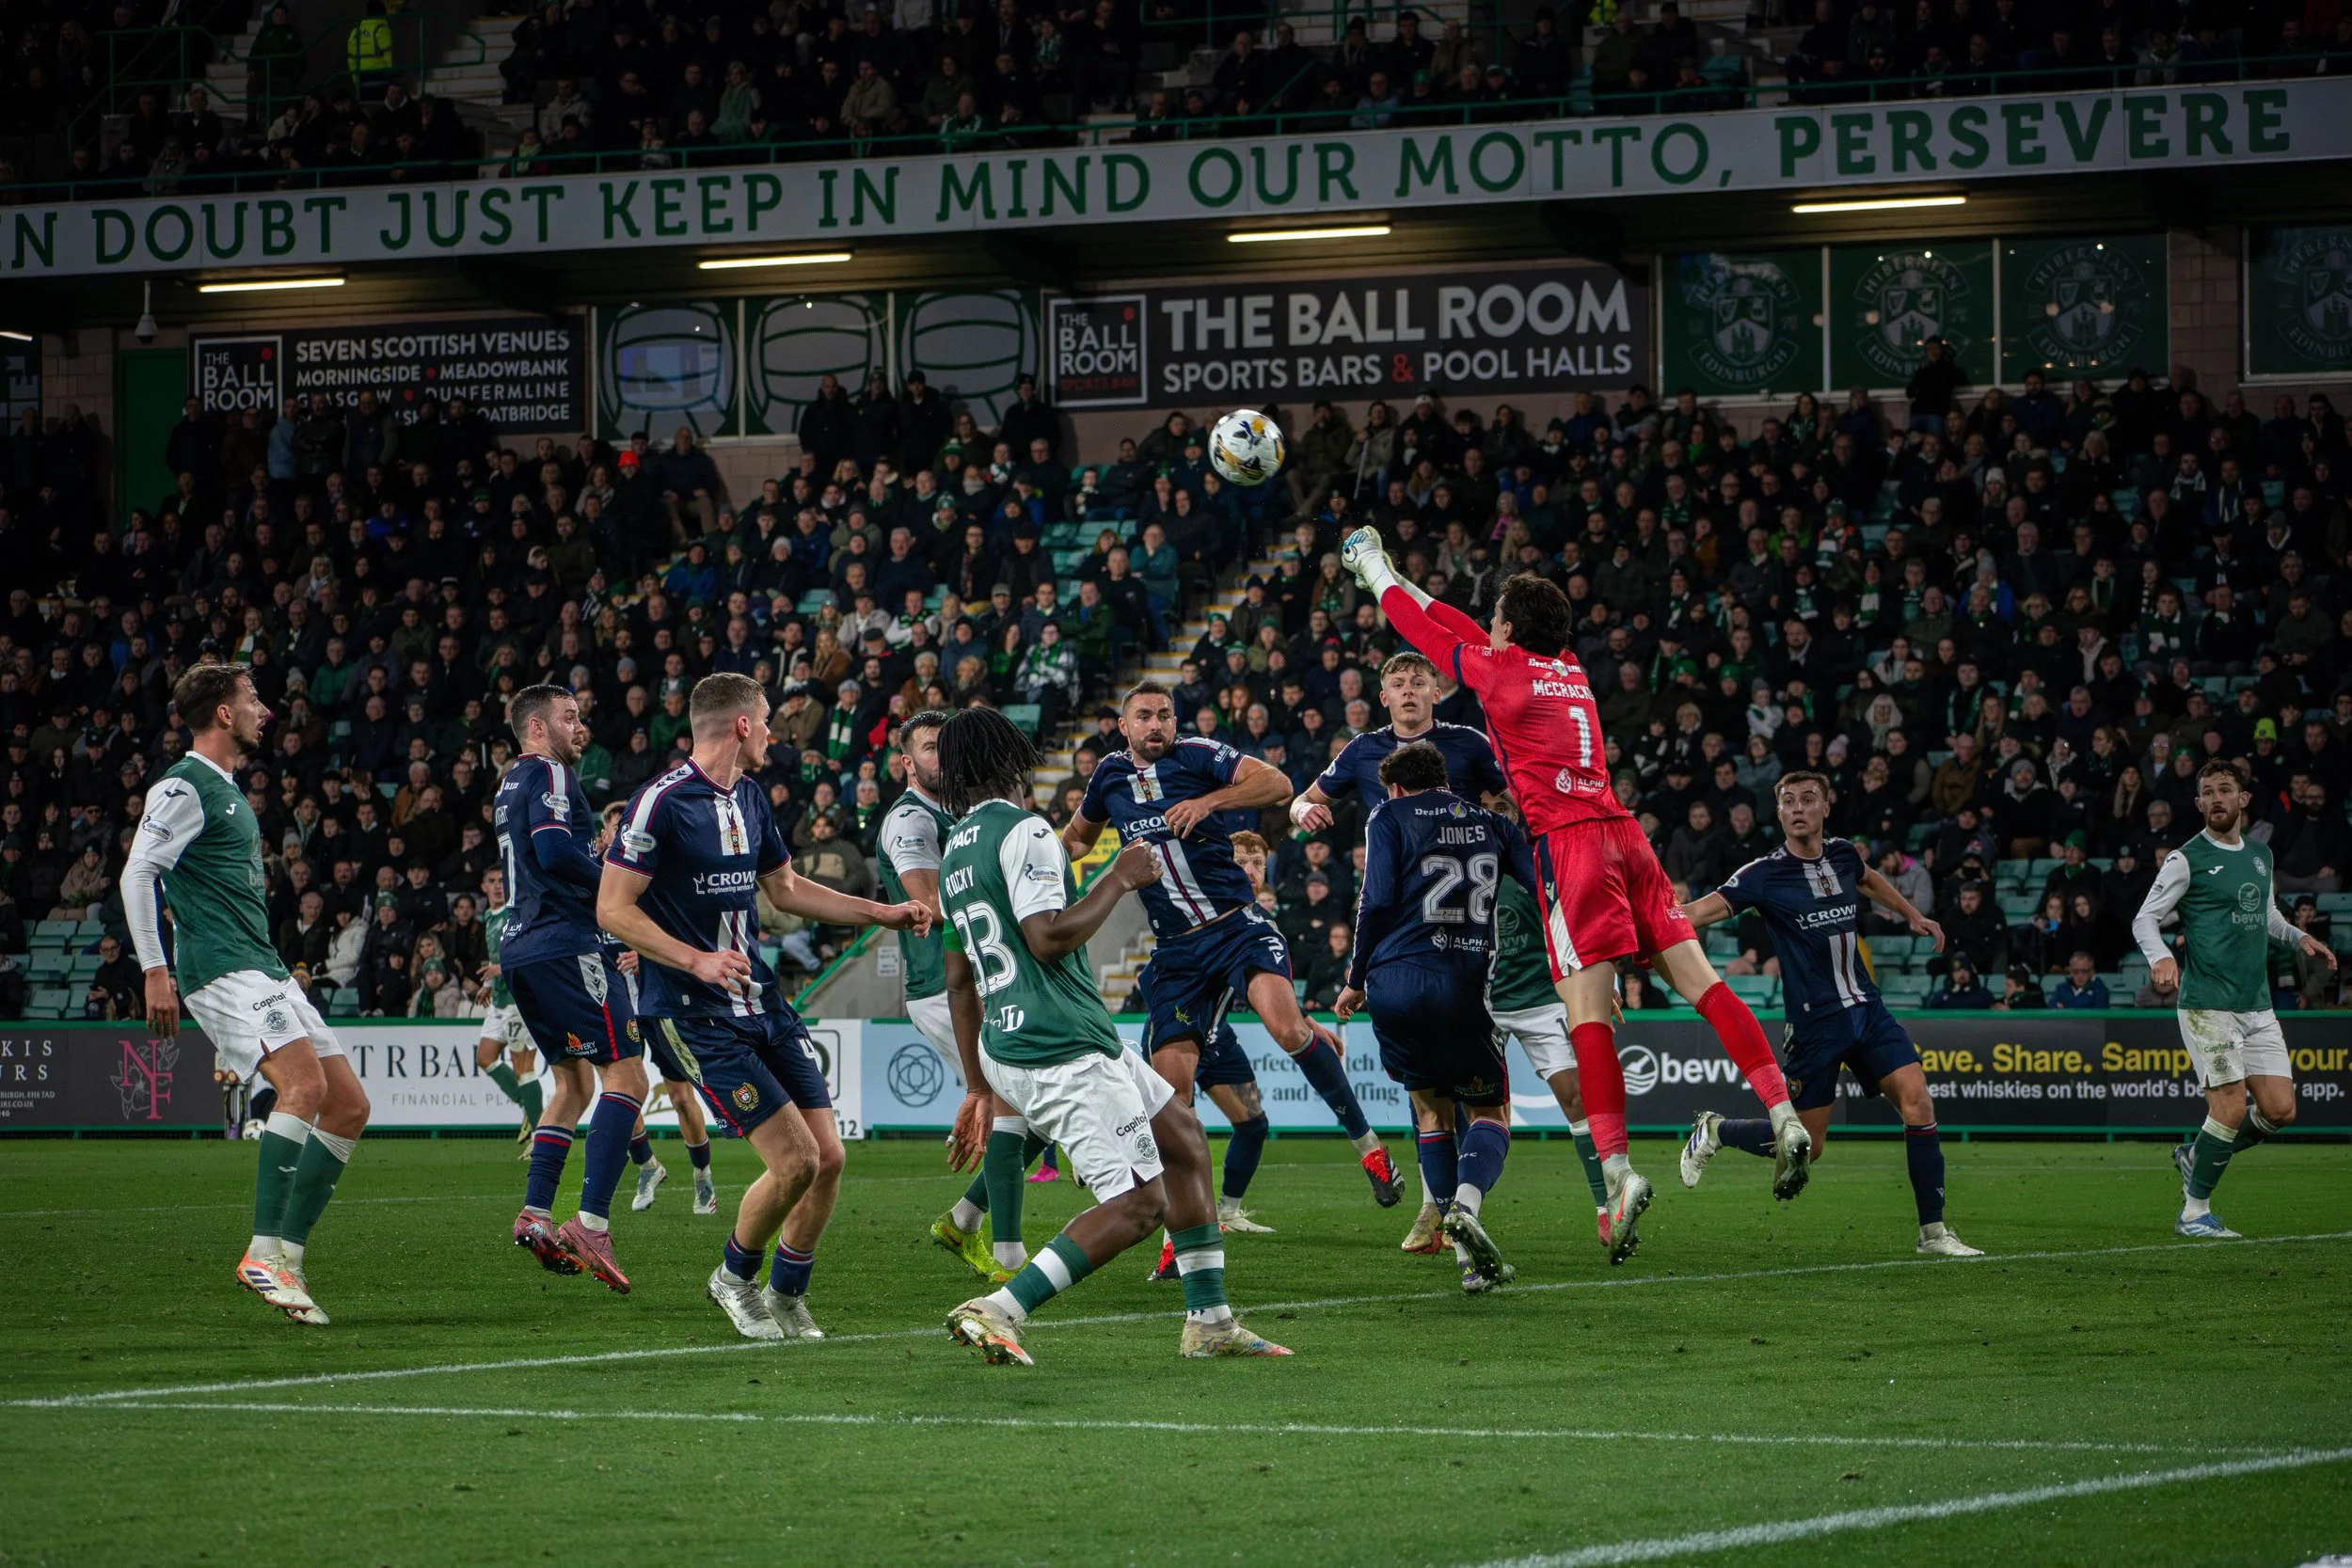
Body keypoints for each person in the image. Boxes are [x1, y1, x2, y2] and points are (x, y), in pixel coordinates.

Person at [1341, 534, 1809, 1263]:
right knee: (1703, 983)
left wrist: (1373, 568)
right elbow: (1460, 628)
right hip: (1629, 834)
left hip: (1573, 844)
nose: (1486, 625)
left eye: (1494, 617)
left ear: (1509, 628)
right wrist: (1403, 572)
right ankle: (1782, 1113)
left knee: (1586, 1011)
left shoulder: (1504, 682)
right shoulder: (1567, 669)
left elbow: (1427, 630)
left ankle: (1618, 1172)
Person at [934, 706, 1290, 1364]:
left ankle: (1209, 1321)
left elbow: (958, 981)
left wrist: (978, 1085)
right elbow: (1047, 938)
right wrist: (1120, 876)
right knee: (1138, 1202)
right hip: (1058, 1041)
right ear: (1012, 762)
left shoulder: (955, 848)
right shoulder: (1026, 831)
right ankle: (997, 1309)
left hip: (1018, 1040)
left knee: (1182, 1139)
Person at [599, 673, 930, 1339]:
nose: (775, 732)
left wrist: (881, 912)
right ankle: (732, 1277)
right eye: (769, 720)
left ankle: (786, 1291)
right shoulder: (659, 802)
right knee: (795, 1161)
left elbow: (784, 888)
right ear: (743, 724)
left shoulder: (748, 795)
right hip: (693, 1010)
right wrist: (696, 959)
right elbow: (611, 907)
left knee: (829, 1158)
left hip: (761, 1004)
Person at [1063, 681, 1403, 1210]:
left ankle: (1369, 1149)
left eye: (1165, 715)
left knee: (1288, 1030)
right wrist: (1045, 858)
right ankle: (1185, 1230)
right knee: (1173, 1094)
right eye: (1145, 717)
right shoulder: (1108, 776)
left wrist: (1209, 801)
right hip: (1175, 949)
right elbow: (1079, 839)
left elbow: (1277, 783)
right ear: (1124, 726)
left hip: (1235, 926)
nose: (1157, 725)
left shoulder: (1196, 756)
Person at [123, 663, 371, 1325]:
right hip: (223, 968)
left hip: (263, 966)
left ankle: (285, 1256)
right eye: (253, 699)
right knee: (304, 1087)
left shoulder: (227, 789)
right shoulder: (183, 783)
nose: (265, 709)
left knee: (348, 1104)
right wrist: (154, 969)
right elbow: (137, 871)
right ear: (224, 714)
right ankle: (262, 1251)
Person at [1677, 771, 1982, 1258]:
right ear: (1778, 813)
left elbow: (1869, 879)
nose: (1798, 807)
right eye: (1788, 801)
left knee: (1919, 1104)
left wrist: (1912, 915)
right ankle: (1715, 1130)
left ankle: (1933, 1234)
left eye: (1808, 799)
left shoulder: (1842, 854)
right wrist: (1640, 910)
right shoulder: (1762, 874)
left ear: (1826, 807)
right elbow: (1697, 913)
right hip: (1815, 1024)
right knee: (1807, 1147)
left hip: (1867, 1008)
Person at [1334, 741, 1532, 1294]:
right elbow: (1538, 886)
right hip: (1462, 983)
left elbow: (1374, 903)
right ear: (1446, 780)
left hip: (1394, 984)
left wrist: (1355, 980)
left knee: (1429, 1114)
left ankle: (1465, 1257)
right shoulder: (1490, 820)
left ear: (1394, 786)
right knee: (1490, 1114)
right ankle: (1467, 1214)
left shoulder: (1387, 814)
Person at [2132, 760, 2336, 1239]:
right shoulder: (2185, 858)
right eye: (2208, 792)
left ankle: (2194, 1154)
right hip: (2207, 1004)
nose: (2217, 798)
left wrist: (2297, 936)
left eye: (2226, 789)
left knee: (2279, 1110)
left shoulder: (2261, 855)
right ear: (2199, 803)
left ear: (2243, 800)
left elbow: (2266, 915)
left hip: (2257, 1004)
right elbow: (2145, 918)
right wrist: (2160, 956)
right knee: (2226, 1108)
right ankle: (2194, 1213)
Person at [496, 685, 652, 1291]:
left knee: (572, 1082)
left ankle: (535, 1212)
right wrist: (620, 883)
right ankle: (591, 1222)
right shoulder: (552, 774)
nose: (579, 726)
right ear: (537, 727)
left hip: (521, 949)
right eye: (569, 717)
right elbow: (557, 853)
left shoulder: (510, 782)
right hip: (565, 943)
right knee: (628, 1075)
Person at [907, 711, 1050, 1284]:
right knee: (1016, 1106)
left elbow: (958, 964)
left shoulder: (959, 836)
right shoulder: (919, 821)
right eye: (925, 747)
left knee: (1031, 1111)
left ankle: (966, 1217)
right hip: (989, 992)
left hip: (980, 988)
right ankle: (1009, 1254)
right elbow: (1042, 936)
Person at [1484, 797, 1613, 1249]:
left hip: (1539, 999)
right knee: (1471, 1109)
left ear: (1517, 815)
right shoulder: (1464, 866)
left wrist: (1600, 984)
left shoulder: (1536, 867)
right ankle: (1451, 1209)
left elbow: (1569, 929)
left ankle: (1605, 1205)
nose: (1498, 816)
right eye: (1488, 809)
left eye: (1504, 808)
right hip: (1482, 1005)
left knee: (1575, 1098)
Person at [593, 801, 717, 1217]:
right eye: (613, 827)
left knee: (681, 1097)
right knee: (619, 1088)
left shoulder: (648, 875)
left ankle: (703, 1180)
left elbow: (673, 932)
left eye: (622, 826)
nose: (618, 833)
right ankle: (647, 1166)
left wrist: (642, 954)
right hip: (610, 999)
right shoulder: (591, 874)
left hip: (654, 999)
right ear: (604, 833)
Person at [1288, 650, 1508, 832]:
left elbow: (1522, 799)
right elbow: (1303, 800)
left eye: (1418, 683)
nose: (1408, 691)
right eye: (1398, 685)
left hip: (1462, 874)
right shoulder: (1362, 748)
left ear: (1436, 695)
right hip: (1393, 879)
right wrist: (1302, 811)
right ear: (1384, 698)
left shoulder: (1469, 741)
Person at [470, 863, 544, 1140]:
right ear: (484, 887)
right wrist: (488, 983)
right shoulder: (489, 916)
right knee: (485, 1057)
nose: (498, 885)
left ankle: (540, 1134)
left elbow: (529, 954)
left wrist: (499, 970)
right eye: (492, 881)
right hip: (499, 1000)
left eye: (502, 880)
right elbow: (495, 958)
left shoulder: (517, 915)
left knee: (521, 1064)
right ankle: (530, 1107)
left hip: (518, 1000)